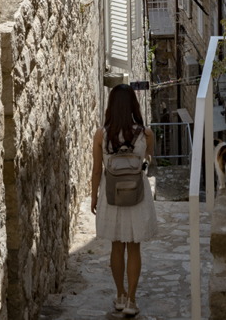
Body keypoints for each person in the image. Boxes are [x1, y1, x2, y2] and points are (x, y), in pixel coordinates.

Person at [91, 84, 158, 317]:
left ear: (111, 106)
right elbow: (148, 158)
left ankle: (119, 294)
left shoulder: (102, 134)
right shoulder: (145, 133)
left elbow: (97, 171)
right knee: (134, 247)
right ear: (133, 105)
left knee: (116, 246)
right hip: (137, 194)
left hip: (111, 195)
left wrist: (94, 197)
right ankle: (131, 299)